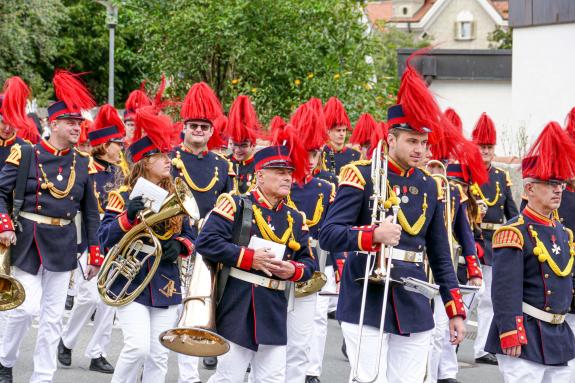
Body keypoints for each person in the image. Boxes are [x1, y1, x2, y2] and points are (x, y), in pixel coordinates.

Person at [319, 59, 467, 383]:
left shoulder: (431, 184)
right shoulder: (360, 174)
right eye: (412, 141)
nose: (420, 149)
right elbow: (328, 234)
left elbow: (441, 254)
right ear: (391, 138)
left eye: (424, 142)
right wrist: (371, 235)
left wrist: (454, 308)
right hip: (366, 294)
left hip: (413, 297)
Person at [0, 70, 102, 383]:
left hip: (63, 244)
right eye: (70, 122)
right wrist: (4, 224)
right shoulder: (27, 153)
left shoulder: (83, 162)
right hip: (27, 241)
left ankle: (43, 377)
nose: (77, 127)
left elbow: (91, 212)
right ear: (53, 123)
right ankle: (5, 360)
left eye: (79, 122)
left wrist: (95, 251)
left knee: (53, 319)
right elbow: (1, 192)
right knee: (24, 310)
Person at [196, 132, 317, 383]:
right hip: (238, 302)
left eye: (289, 172)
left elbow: (309, 263)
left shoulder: (295, 217)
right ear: (260, 175)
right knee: (229, 376)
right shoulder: (235, 204)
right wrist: (248, 258)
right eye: (279, 172)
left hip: (274, 305)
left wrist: (291, 270)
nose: (287, 177)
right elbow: (206, 242)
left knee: (272, 378)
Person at [98, 106, 195, 383]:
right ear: (144, 161)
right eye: (161, 156)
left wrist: (183, 245)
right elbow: (105, 238)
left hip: (165, 282)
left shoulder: (176, 194)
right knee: (138, 348)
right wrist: (127, 217)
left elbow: (191, 234)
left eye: (167, 154)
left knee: (158, 355)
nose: (169, 160)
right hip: (130, 282)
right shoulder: (122, 195)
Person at [485, 121, 575, 382]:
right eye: (549, 183)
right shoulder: (513, 232)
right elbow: (504, 290)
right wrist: (510, 330)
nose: (558, 189)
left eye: (559, 183)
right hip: (525, 333)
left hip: (558, 333)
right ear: (529, 188)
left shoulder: (563, 232)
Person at [58, 104, 126, 374]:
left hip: (114, 237)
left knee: (109, 300)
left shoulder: (119, 170)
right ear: (103, 145)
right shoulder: (85, 165)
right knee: (88, 297)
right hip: (88, 236)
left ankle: (97, 352)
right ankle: (66, 340)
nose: (121, 147)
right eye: (116, 143)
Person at [173, 82, 234, 381]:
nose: (198, 130)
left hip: (212, 247)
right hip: (179, 245)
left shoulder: (222, 165)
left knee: (206, 309)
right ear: (184, 127)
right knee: (183, 310)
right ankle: (186, 376)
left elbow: (233, 206)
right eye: (193, 125)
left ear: (212, 131)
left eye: (204, 126)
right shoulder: (171, 160)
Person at [285, 104, 335, 383]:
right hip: (284, 256)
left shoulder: (325, 188)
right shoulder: (282, 182)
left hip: (315, 257)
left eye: (317, 152)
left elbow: (331, 228)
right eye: (308, 151)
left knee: (314, 318)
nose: (313, 158)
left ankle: (310, 370)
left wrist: (337, 267)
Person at [470, 112, 519, 365]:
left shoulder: (501, 176)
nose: (486, 151)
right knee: (469, 296)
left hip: (495, 242)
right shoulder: (465, 173)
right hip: (472, 240)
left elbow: (512, 212)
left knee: (489, 297)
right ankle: (449, 345)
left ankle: (481, 349)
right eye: (482, 146)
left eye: (489, 146)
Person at [226, 95, 260, 194]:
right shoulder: (224, 163)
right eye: (234, 144)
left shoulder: (260, 167)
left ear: (253, 145)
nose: (237, 150)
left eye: (243, 145)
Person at [321, 97, 360, 175]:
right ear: (328, 131)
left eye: (344, 130)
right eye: (338, 130)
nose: (342, 134)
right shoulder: (321, 154)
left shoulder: (355, 155)